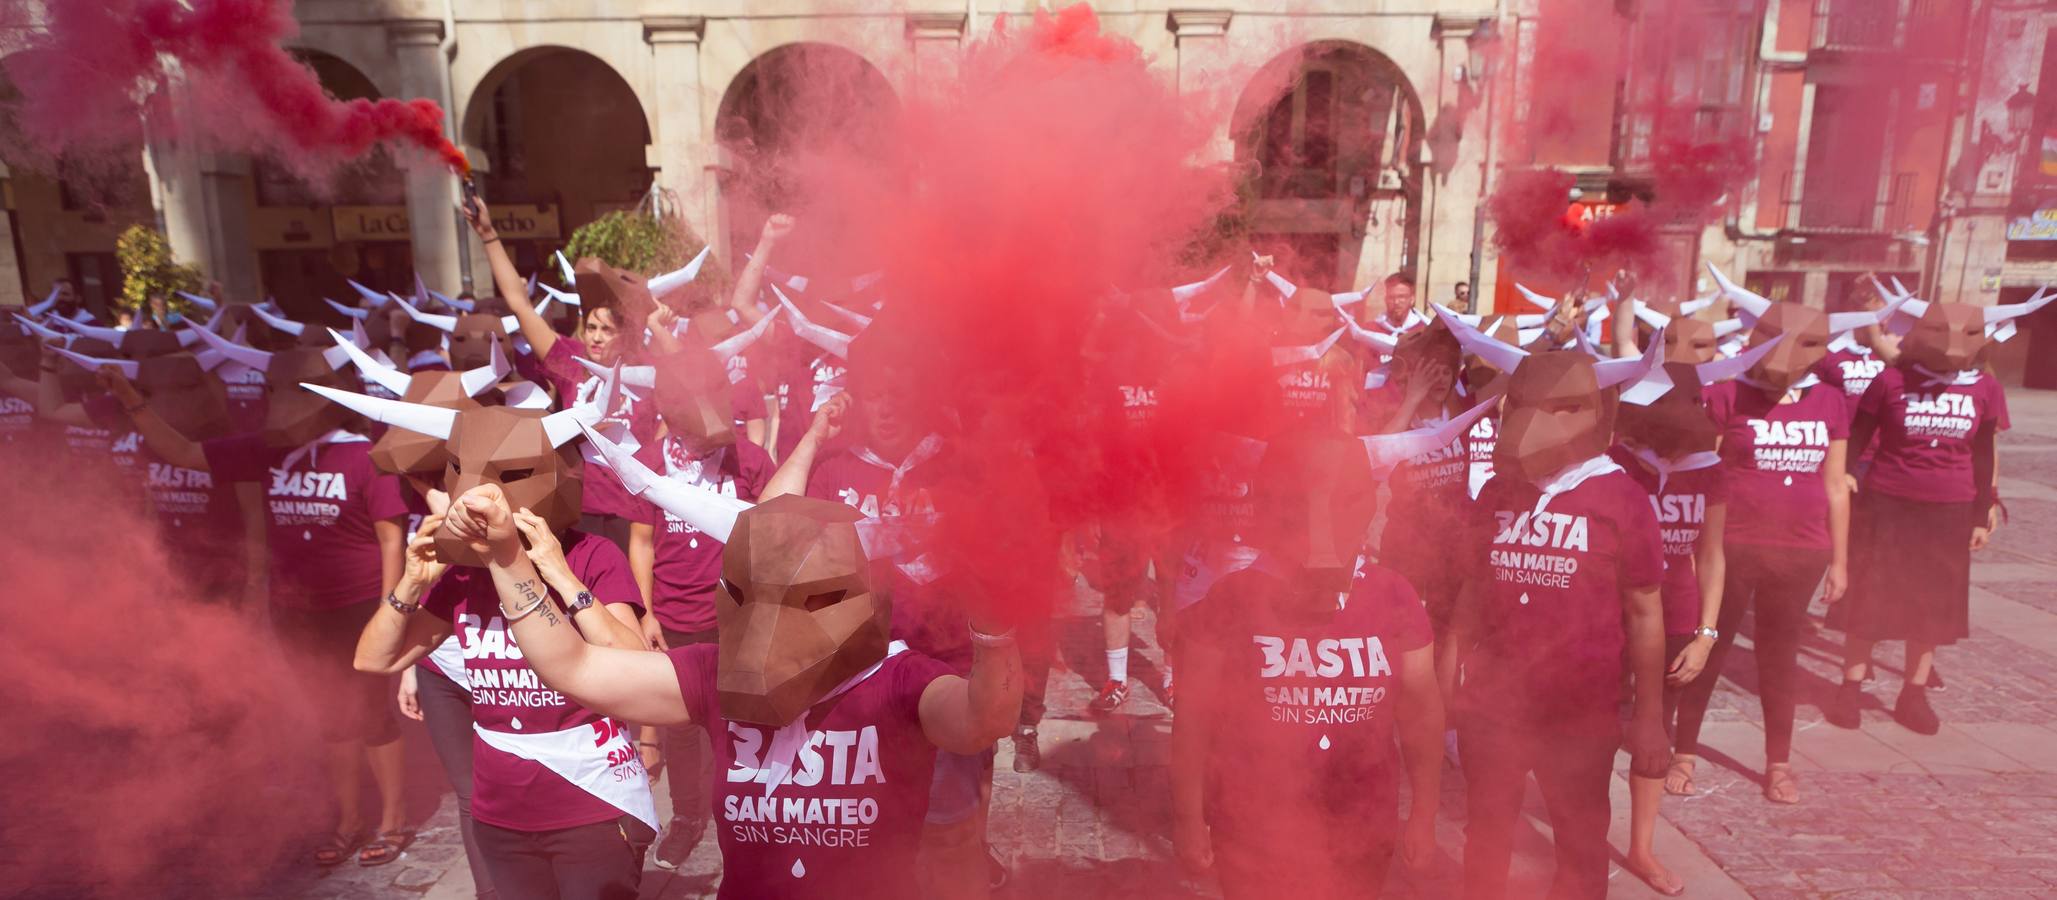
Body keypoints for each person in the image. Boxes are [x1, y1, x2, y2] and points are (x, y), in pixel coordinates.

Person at [462, 441, 1023, 900]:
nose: (771, 630)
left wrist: (995, 628)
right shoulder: (711, 674)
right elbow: (574, 667)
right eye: (747, 594)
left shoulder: (899, 681)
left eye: (811, 601)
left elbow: (984, 718)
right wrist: (507, 558)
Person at [333, 387, 656, 900]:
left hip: (591, 800)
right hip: (501, 813)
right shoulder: (462, 574)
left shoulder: (591, 554)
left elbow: (638, 667)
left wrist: (561, 577)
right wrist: (412, 583)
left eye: (510, 477)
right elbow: (374, 659)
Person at [125, 339, 414, 866]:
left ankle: (393, 819)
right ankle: (349, 821)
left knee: (372, 715)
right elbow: (185, 453)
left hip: (360, 609)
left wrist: (390, 613)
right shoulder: (265, 450)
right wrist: (132, 403)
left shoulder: (366, 455)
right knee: (331, 717)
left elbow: (392, 540)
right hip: (297, 609)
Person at [1172, 432, 1443, 899]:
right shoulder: (1232, 598)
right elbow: (1193, 717)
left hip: (1361, 831)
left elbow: (1421, 715)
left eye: (1343, 499)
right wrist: (1188, 818)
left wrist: (1423, 813)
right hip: (1252, 832)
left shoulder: (1394, 596)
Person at [1443, 349, 1670, 900]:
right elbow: (1471, 592)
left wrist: (1650, 716)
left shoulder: (1622, 498)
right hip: (1493, 706)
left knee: (1580, 843)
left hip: (1580, 715)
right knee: (1488, 833)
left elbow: (1645, 612)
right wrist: (1445, 676)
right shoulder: (1497, 493)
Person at [1672, 288, 1852, 805]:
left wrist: (1840, 559)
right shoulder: (1728, 395)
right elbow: (1700, 472)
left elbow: (1836, 483)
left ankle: (1778, 762)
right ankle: (1684, 750)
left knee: (1780, 655)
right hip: (1733, 546)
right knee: (1709, 646)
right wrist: (1692, 546)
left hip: (1802, 550)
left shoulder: (1830, 400)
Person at [1830, 298, 2023, 734]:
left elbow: (1981, 453)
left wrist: (1982, 511)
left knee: (1932, 607)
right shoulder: (1890, 379)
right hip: (1887, 504)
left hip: (1949, 510)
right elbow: (1856, 436)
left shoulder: (1984, 388)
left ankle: (1912, 694)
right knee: (1867, 601)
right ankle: (1850, 687)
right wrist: (1843, 476)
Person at [626, 341, 776, 871]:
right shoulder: (647, 465)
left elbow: (772, 533)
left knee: (742, 721)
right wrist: (645, 612)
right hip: (675, 618)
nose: (694, 439)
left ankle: (749, 813)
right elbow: (642, 542)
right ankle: (688, 816)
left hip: (737, 618)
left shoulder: (749, 460)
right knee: (684, 727)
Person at [463, 194, 651, 554]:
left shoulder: (646, 373)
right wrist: (488, 234)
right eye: (591, 327)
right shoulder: (571, 360)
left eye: (606, 330)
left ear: (624, 335)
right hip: (576, 509)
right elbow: (519, 305)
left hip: (633, 514)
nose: (595, 336)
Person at [1608, 362, 1730, 897]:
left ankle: (1641, 847)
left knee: (1654, 736)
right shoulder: (1613, 464)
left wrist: (1706, 634)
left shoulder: (1709, 470)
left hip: (1678, 619)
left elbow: (1712, 554)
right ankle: (1581, 828)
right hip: (1610, 619)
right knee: (1592, 730)